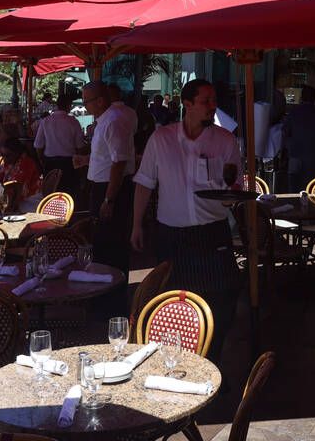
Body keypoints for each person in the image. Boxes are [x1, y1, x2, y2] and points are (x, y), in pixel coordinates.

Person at [130, 78, 242, 364]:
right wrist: (136, 224)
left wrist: (234, 195)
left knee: (224, 299)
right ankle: (177, 362)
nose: (212, 107)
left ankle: (211, 362)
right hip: (173, 235)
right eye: (206, 101)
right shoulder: (162, 139)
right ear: (187, 104)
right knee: (173, 303)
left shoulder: (225, 140)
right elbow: (144, 183)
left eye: (214, 101)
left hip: (213, 233)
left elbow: (235, 187)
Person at [81, 81, 137, 290]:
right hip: (102, 187)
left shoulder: (113, 120)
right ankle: (103, 294)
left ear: (100, 100)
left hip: (111, 190)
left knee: (112, 246)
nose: (85, 106)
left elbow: (119, 162)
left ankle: (112, 298)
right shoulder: (106, 120)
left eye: (87, 102)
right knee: (102, 246)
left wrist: (109, 199)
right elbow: (108, 158)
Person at [34, 96, 84, 196]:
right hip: (69, 164)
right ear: (69, 106)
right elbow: (79, 146)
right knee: (68, 195)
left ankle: (49, 211)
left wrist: (41, 160)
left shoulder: (46, 121)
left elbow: (38, 145)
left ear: (57, 105)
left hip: (51, 163)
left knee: (51, 193)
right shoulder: (73, 122)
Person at [283, 85, 315, 189]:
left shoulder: (293, 113)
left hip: (294, 154)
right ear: (314, 98)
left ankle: (293, 204)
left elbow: (285, 132)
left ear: (301, 98)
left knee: (293, 188)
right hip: (313, 155)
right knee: (310, 188)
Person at [0, 137, 42, 211]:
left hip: (30, 201)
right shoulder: (9, 162)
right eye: (2, 154)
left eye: (7, 155)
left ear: (17, 153)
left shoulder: (26, 163)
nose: (4, 158)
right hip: (14, 199)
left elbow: (14, 187)